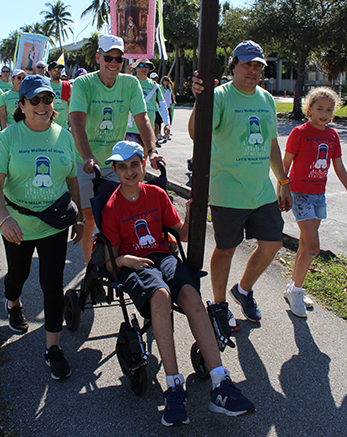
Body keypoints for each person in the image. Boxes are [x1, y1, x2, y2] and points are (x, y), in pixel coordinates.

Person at [101, 141, 255, 426]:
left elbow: (182, 234)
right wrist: (127, 261)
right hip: (133, 263)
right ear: (114, 170)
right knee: (160, 295)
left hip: (163, 255)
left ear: (143, 164)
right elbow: (110, 262)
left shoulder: (157, 194)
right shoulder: (111, 208)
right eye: (122, 167)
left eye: (135, 164)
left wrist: (190, 212)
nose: (130, 171)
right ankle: (174, 386)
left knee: (190, 294)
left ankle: (220, 384)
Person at [188, 40, 292, 330]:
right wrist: (200, 100)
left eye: (258, 65)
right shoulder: (220, 96)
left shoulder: (266, 99)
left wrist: (283, 180)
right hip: (228, 190)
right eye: (247, 64)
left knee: (272, 244)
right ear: (233, 65)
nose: (253, 70)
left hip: (260, 190)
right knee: (226, 249)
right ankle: (219, 305)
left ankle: (243, 290)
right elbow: (197, 134)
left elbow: (271, 143)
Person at [0, 75, 83, 380]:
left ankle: (53, 349)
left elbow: (71, 180)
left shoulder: (64, 136)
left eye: (47, 99)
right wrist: (4, 219)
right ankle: (13, 302)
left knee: (52, 285)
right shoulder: (8, 137)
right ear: (22, 105)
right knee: (19, 275)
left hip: (54, 224)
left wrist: (79, 217)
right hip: (18, 226)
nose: (42, 105)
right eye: (35, 100)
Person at [70, 35, 164, 264]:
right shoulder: (83, 84)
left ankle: (118, 260)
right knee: (90, 217)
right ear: (98, 57)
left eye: (118, 59)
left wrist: (151, 150)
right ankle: (91, 267)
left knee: (124, 212)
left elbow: (143, 121)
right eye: (108, 57)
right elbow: (77, 123)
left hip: (114, 161)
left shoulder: (130, 83)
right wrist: (88, 157)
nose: (113, 63)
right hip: (85, 160)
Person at [282, 87, 347, 317]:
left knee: (303, 247)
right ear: (309, 109)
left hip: (319, 196)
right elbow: (286, 163)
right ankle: (297, 291)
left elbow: (338, 166)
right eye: (319, 108)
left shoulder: (332, 136)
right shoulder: (300, 132)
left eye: (329, 110)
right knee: (313, 248)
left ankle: (293, 287)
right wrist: (283, 187)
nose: (324, 113)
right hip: (300, 196)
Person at [126, 59, 170, 151]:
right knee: (134, 159)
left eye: (147, 66)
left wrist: (167, 123)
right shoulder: (129, 83)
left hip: (148, 131)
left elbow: (162, 106)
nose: (144, 68)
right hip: (131, 130)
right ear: (135, 68)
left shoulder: (155, 86)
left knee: (144, 160)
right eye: (141, 65)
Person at [47, 61, 71, 129]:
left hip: (64, 127)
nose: (59, 71)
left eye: (60, 69)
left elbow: (70, 104)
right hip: (49, 127)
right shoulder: (46, 86)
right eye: (56, 69)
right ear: (49, 72)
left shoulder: (67, 86)